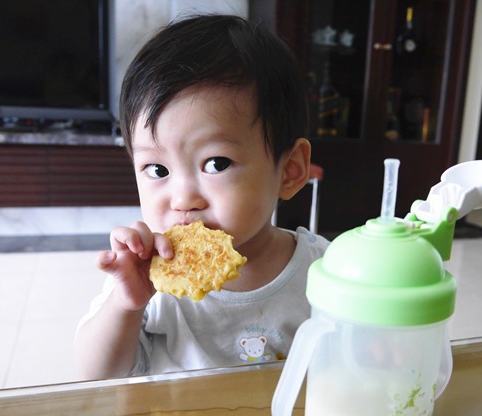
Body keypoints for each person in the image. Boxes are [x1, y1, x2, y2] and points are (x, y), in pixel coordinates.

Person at [75, 14, 329, 380]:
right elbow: (94, 377)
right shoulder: (151, 281)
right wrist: (125, 305)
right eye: (157, 170)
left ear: (289, 171)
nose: (182, 199)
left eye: (216, 163)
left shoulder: (324, 272)